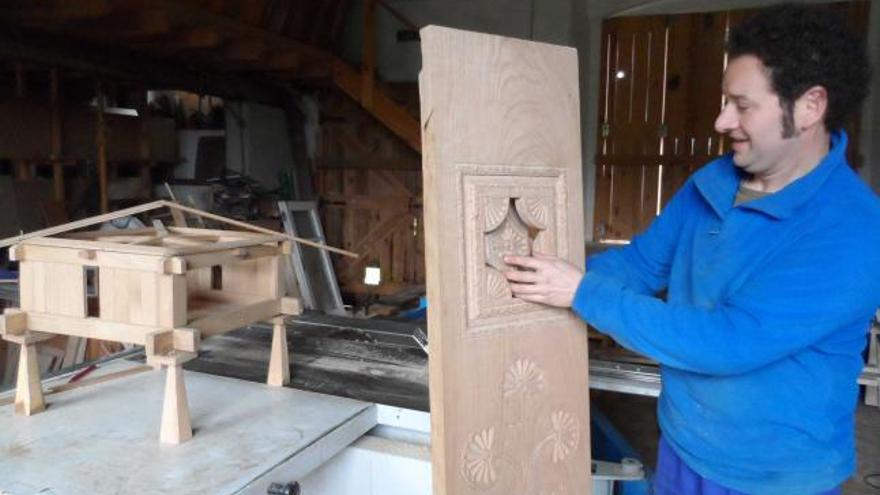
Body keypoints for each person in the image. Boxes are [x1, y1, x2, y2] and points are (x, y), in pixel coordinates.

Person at [504, 4, 878, 495]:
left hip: (774, 477)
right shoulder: (715, 183)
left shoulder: (854, 230)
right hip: (682, 446)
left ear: (809, 107)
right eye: (726, 101)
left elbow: (726, 341)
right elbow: (638, 264)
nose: (722, 120)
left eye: (742, 106)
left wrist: (581, 292)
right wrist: (541, 280)